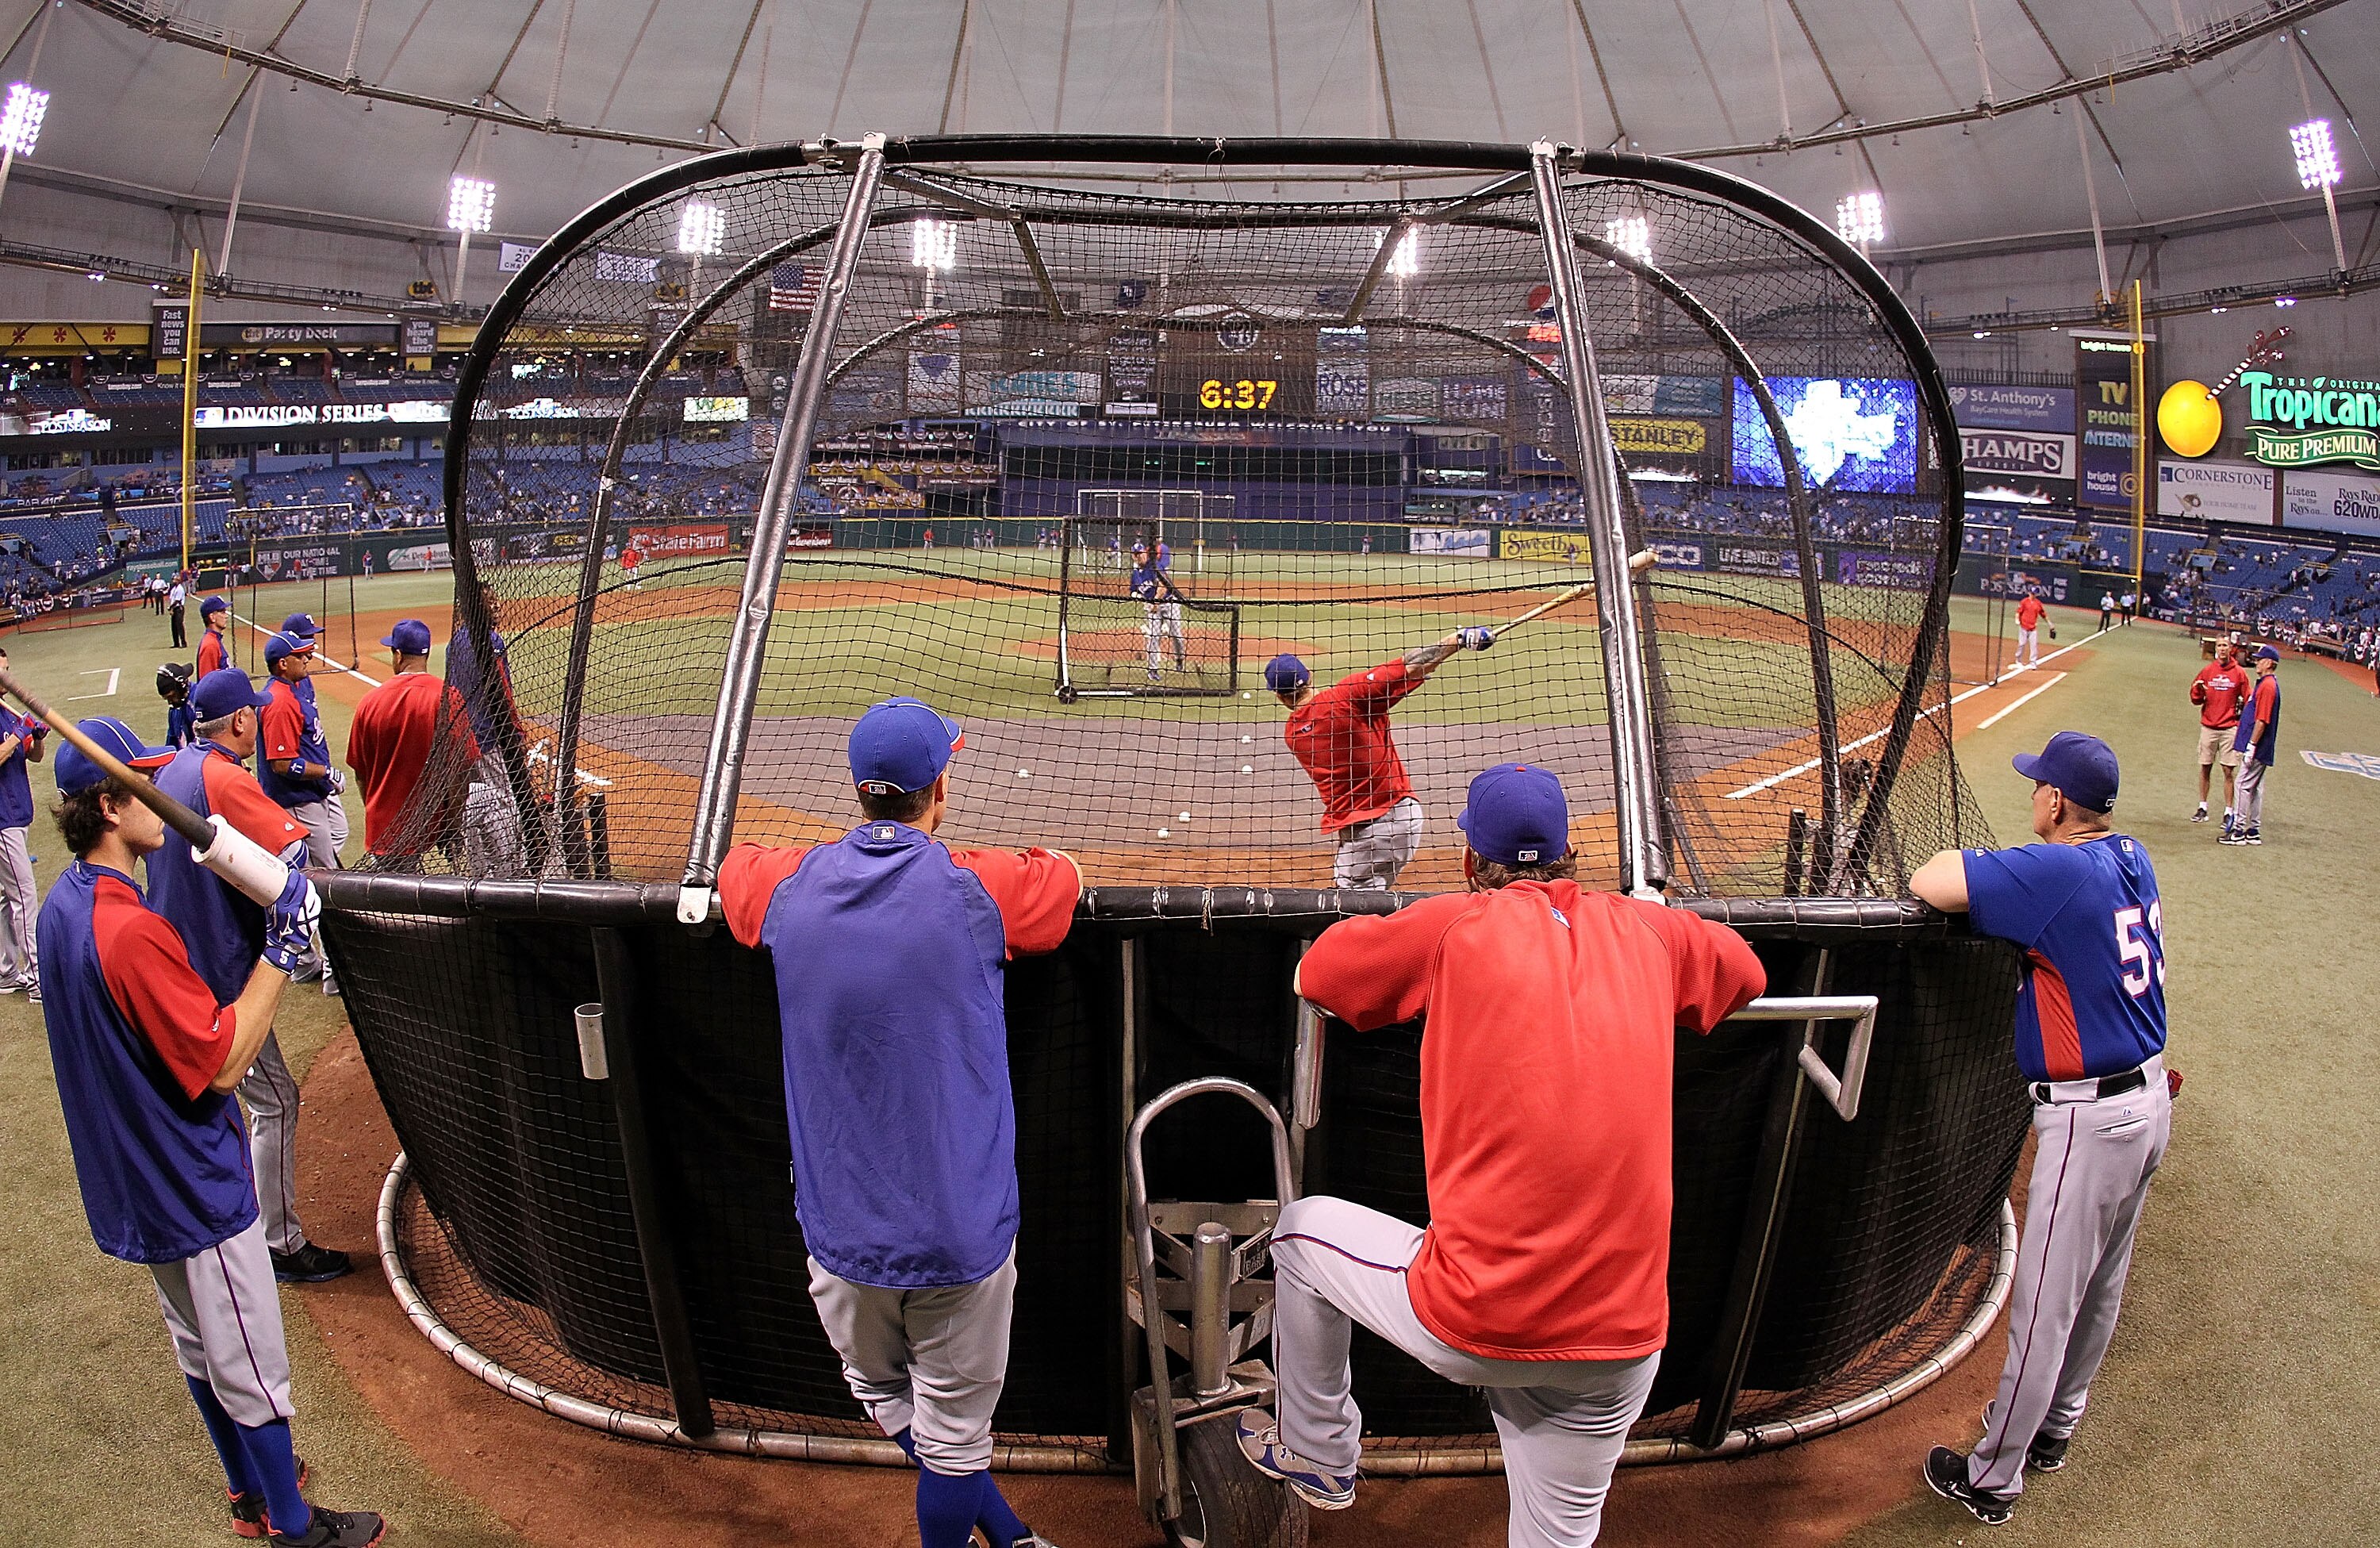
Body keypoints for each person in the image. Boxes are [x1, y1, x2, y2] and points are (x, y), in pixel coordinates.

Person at [1239, 763, 1765, 1545]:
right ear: (1571, 856)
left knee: (1301, 1232)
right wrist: (1658, 919)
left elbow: (1317, 973)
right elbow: (1746, 973)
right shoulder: (1651, 930)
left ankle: (1320, 1451)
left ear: (1470, 862)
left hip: (1477, 1316)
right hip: (1624, 1340)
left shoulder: (1453, 923)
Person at [715, 697, 1077, 1548]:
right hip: (960, 1235)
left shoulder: (788, 886)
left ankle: (1014, 1536)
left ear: (859, 789)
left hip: (838, 1235)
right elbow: (1061, 878)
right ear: (938, 788)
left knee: (883, 1396)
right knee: (954, 1442)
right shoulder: (977, 886)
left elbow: (738, 867)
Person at [37, 716, 383, 1547]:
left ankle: (245, 1491)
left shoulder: (63, 907)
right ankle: (294, 1526)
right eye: (147, 784)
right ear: (112, 805)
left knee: (199, 1349)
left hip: (133, 1178)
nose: (165, 797)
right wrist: (280, 945)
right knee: (255, 1371)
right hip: (191, 1179)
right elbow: (225, 1061)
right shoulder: (129, 929)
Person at [1908, 732, 2170, 1527]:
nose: (2032, 802)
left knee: (2048, 1304)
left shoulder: (2059, 867)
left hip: (2093, 1119)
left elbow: (1931, 880)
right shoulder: (2133, 854)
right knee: (2100, 1288)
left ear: (2057, 802)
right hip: (2151, 1103)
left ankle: (1993, 1477)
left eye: (2037, 790)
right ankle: (2054, 1428)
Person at [149, 668, 351, 1284]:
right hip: (218, 977)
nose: (259, 718)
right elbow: (292, 857)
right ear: (240, 720)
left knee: (228, 1100)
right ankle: (280, 1242)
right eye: (253, 712)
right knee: (275, 1099)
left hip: (179, 963)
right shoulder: (220, 777)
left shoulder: (178, 769)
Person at [1267, 625, 1495, 890]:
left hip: (1370, 831)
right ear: (1310, 676)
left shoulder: (1293, 734)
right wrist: (1460, 639)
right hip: (1402, 818)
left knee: (1348, 909)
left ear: (1278, 695)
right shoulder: (1347, 696)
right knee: (1368, 901)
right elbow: (1413, 665)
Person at [347, 620, 478, 864]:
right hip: (432, 824)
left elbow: (360, 774)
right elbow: (462, 771)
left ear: (397, 655)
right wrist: (452, 826)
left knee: (396, 898)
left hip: (386, 831)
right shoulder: (448, 697)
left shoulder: (369, 702)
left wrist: (375, 810)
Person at [259, 632, 346, 993]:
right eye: (301, 657)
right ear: (283, 664)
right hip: (298, 803)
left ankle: (307, 963)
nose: (307, 661)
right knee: (322, 881)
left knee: (304, 877)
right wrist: (324, 772)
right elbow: (282, 763)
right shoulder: (280, 701)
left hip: (307, 799)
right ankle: (332, 970)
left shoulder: (289, 691)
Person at [0, 651, 45, 999]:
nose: (7, 680)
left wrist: (37, 737)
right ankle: (35, 979)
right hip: (3, 821)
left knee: (5, 898)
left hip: (17, 812)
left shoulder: (5, 711)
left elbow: (33, 755)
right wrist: (18, 734)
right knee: (23, 896)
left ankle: (6, 971)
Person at [2222, 644, 2281, 847]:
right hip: (2262, 747)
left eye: (2260, 659)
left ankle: (2238, 831)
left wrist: (2251, 746)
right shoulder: (2268, 684)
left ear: (2269, 663)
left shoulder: (2267, 686)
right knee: (2256, 788)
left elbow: (2262, 720)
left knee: (2242, 785)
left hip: (2258, 747)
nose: (2256, 662)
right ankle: (2253, 830)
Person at [2188, 641, 2249, 827]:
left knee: (2228, 770)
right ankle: (2202, 807)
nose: (2222, 649)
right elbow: (2196, 699)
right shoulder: (2207, 671)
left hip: (2229, 728)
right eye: (2219, 645)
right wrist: (2197, 691)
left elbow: (2248, 699)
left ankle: (2229, 811)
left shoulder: (2239, 673)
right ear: (2216, 649)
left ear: (2231, 649)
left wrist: (2241, 721)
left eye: (2225, 645)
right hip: (2209, 726)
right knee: (2205, 767)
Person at [1129, 540, 1188, 680]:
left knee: (1177, 636)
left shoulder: (1155, 566)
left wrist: (1155, 600)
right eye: (1136, 554)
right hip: (1152, 609)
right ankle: (1153, 670)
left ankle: (1179, 658)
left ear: (1145, 552)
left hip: (1169, 603)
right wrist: (1140, 597)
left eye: (1141, 553)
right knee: (1154, 637)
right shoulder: (1135, 574)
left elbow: (1164, 585)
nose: (1139, 556)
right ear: (1133, 556)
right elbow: (1132, 591)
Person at [157, 661, 196, 748]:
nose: (170, 702)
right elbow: (171, 742)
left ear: (181, 686)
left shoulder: (198, 704)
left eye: (172, 697)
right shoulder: (174, 709)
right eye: (167, 699)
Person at [195, 594, 229, 677]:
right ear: (212, 617)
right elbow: (207, 683)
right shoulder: (210, 645)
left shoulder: (215, 639)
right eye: (223, 612)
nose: (226, 616)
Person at [2014, 587, 2045, 668]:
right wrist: (2017, 620)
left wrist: (2050, 623)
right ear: (2029, 593)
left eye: (2034, 594)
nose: (2032, 595)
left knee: (2034, 645)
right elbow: (2018, 612)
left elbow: (2043, 614)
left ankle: (2033, 663)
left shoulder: (2038, 603)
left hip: (2033, 628)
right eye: (2031, 593)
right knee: (2022, 644)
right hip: (2024, 627)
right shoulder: (2024, 602)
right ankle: (2018, 660)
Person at [168, 574, 188, 649]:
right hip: (174, 608)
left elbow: (177, 600)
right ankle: (176, 643)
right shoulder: (173, 589)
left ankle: (183, 642)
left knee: (179, 626)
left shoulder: (180, 589)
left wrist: (171, 607)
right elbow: (171, 599)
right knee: (174, 626)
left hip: (178, 608)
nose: (173, 581)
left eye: (175, 580)